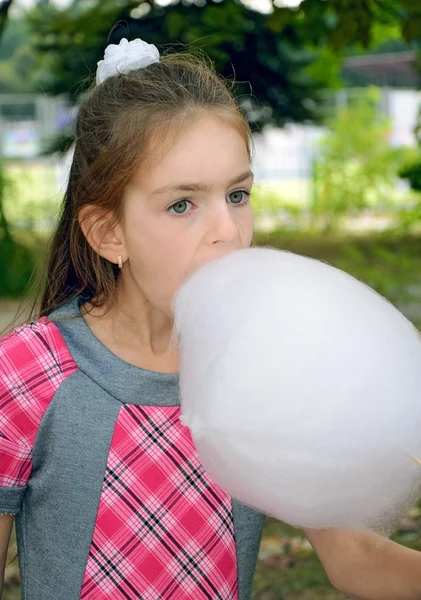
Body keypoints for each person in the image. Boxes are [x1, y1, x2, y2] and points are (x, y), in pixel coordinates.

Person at [0, 37, 420, 600]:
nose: (227, 230)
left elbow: (354, 560)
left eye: (238, 195)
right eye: (182, 204)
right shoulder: (28, 375)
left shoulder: (264, 372)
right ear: (109, 233)